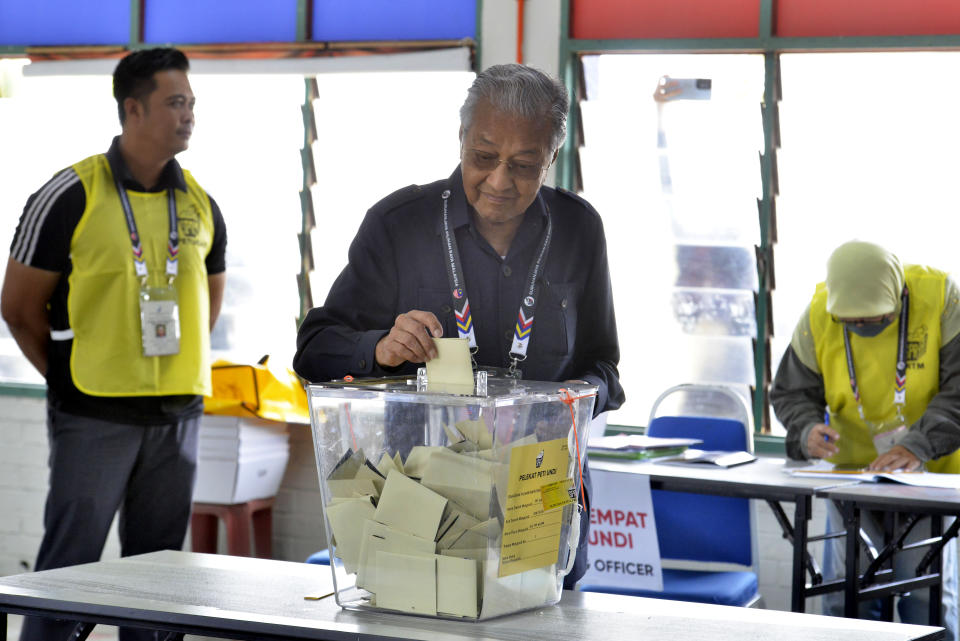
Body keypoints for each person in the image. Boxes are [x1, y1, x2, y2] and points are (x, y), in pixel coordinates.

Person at [293, 63, 625, 589]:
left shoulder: (578, 230)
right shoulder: (401, 223)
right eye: (483, 157)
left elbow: (604, 366)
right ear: (462, 139)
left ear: (552, 157)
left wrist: (574, 398)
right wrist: (380, 347)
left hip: (537, 493)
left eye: (523, 164)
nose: (499, 181)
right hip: (421, 503)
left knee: (541, 621)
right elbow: (314, 349)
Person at [0, 47, 227, 641]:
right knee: (69, 569)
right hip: (92, 413)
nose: (189, 114)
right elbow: (19, 308)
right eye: (175, 102)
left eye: (192, 103)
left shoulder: (199, 202)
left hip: (178, 413)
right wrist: (68, 378)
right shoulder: (71, 193)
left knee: (158, 575)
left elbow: (210, 295)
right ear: (133, 108)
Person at [771, 240, 960, 635]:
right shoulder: (820, 314)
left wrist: (917, 445)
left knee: (927, 603)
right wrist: (806, 430)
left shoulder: (942, 299)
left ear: (901, 296)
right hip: (853, 479)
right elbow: (791, 393)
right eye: (851, 322)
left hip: (929, 477)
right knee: (846, 603)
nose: (862, 328)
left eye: (876, 319)